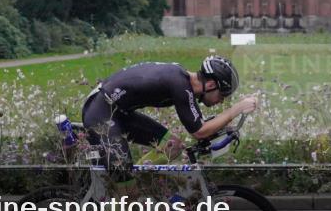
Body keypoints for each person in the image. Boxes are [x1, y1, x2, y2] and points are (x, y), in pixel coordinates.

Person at [81, 55, 256, 188]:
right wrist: (236, 109)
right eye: (223, 95)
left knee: (172, 145)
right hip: (100, 113)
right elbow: (199, 131)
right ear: (210, 85)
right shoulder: (180, 85)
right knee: (126, 191)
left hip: (118, 112)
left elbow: (201, 125)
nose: (222, 101)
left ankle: (138, 179)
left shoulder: (182, 83)